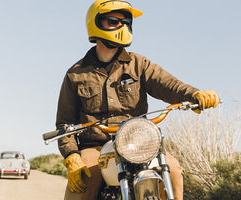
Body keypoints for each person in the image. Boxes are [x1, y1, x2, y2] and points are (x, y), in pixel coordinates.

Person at [55, 1, 220, 200]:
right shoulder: (76, 74)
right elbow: (65, 123)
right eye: (114, 21)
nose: (122, 26)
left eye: (126, 22)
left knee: (173, 170)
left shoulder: (139, 64)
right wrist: (72, 155)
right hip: (95, 146)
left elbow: (169, 85)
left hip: (139, 142)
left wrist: (195, 94)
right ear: (96, 22)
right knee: (84, 181)